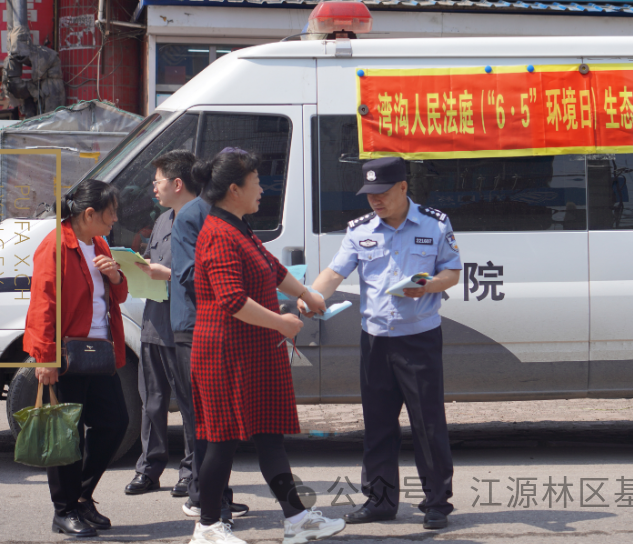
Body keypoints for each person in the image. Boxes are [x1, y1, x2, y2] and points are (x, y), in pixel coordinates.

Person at [188, 149, 344, 544]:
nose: (263, 188)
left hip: (252, 351)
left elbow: (273, 270)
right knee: (221, 440)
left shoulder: (238, 227)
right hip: (226, 353)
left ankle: (296, 519)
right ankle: (207, 527)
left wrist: (307, 294)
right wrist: (283, 323)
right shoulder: (218, 234)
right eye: (257, 181)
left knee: (269, 434)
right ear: (235, 189)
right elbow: (231, 300)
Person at [300, 157, 462, 530]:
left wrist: (424, 286)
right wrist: (310, 297)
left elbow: (452, 271)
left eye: (383, 192)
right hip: (375, 341)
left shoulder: (435, 224)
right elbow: (334, 273)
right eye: (370, 193)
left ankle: (437, 502)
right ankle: (381, 500)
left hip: (419, 339)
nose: (375, 200)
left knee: (428, 424)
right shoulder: (360, 230)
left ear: (403, 188)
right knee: (378, 425)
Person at [24, 179, 131, 537]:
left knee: (115, 422)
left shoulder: (97, 242)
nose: (114, 219)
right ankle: (64, 509)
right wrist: (45, 358)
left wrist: (115, 275)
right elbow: (42, 305)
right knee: (67, 436)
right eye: (110, 212)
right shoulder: (55, 246)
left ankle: (82, 496)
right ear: (89, 214)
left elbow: (119, 293)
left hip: (100, 354)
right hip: (67, 355)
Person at [170, 148, 250, 526]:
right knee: (207, 420)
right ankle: (206, 501)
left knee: (221, 422)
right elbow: (187, 274)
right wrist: (234, 284)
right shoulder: (191, 217)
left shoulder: (231, 217)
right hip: (196, 327)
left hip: (224, 325)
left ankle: (213, 499)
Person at [125, 151, 199, 498]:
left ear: (177, 183)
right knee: (151, 401)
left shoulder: (202, 220)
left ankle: (192, 471)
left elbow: (203, 276)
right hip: (154, 322)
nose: (154, 188)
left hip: (185, 327)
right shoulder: (162, 220)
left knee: (189, 403)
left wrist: (163, 275)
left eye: (158, 182)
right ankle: (149, 468)